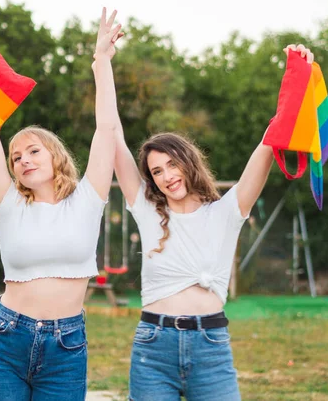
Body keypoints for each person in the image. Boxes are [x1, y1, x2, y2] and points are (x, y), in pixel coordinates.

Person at [115, 45, 314, 400]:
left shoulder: (225, 212)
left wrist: (299, 78)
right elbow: (111, 135)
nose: (166, 176)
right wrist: (102, 62)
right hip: (153, 346)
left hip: (211, 346)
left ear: (188, 163)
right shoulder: (146, 210)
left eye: (171, 165)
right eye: (156, 171)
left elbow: (268, 144)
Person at [0, 8, 124, 401]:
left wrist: (101, 62)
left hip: (66, 347)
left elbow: (106, 128)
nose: (22, 159)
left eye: (32, 150)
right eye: (16, 157)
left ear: (54, 154)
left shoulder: (88, 201)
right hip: (5, 340)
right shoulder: (7, 205)